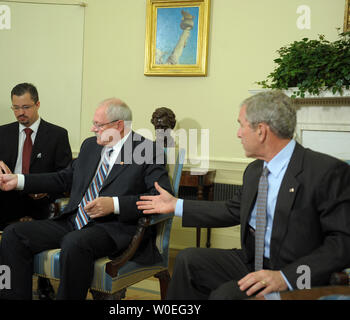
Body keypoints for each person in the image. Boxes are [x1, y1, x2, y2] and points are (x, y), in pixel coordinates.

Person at [137, 90, 350, 300]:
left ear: (261, 131)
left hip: (294, 273)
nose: (238, 133)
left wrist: (285, 277)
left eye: (241, 125)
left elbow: (343, 243)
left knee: (225, 296)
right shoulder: (255, 170)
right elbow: (232, 209)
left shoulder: (326, 172)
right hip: (252, 261)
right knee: (188, 260)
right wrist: (176, 205)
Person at [0, 97, 172, 300]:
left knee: (75, 243)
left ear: (119, 125)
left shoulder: (148, 150)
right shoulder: (90, 146)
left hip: (113, 228)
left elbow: (160, 197)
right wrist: (19, 181)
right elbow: (63, 179)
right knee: (13, 234)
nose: (93, 129)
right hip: (74, 220)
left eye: (98, 124)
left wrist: (113, 204)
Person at [0, 82, 72, 299]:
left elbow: (66, 176)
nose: (20, 113)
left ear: (37, 105)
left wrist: (46, 191)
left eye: (25, 107)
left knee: (47, 214)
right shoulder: (3, 132)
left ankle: (44, 282)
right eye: (15, 108)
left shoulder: (57, 135)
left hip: (40, 201)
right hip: (7, 199)